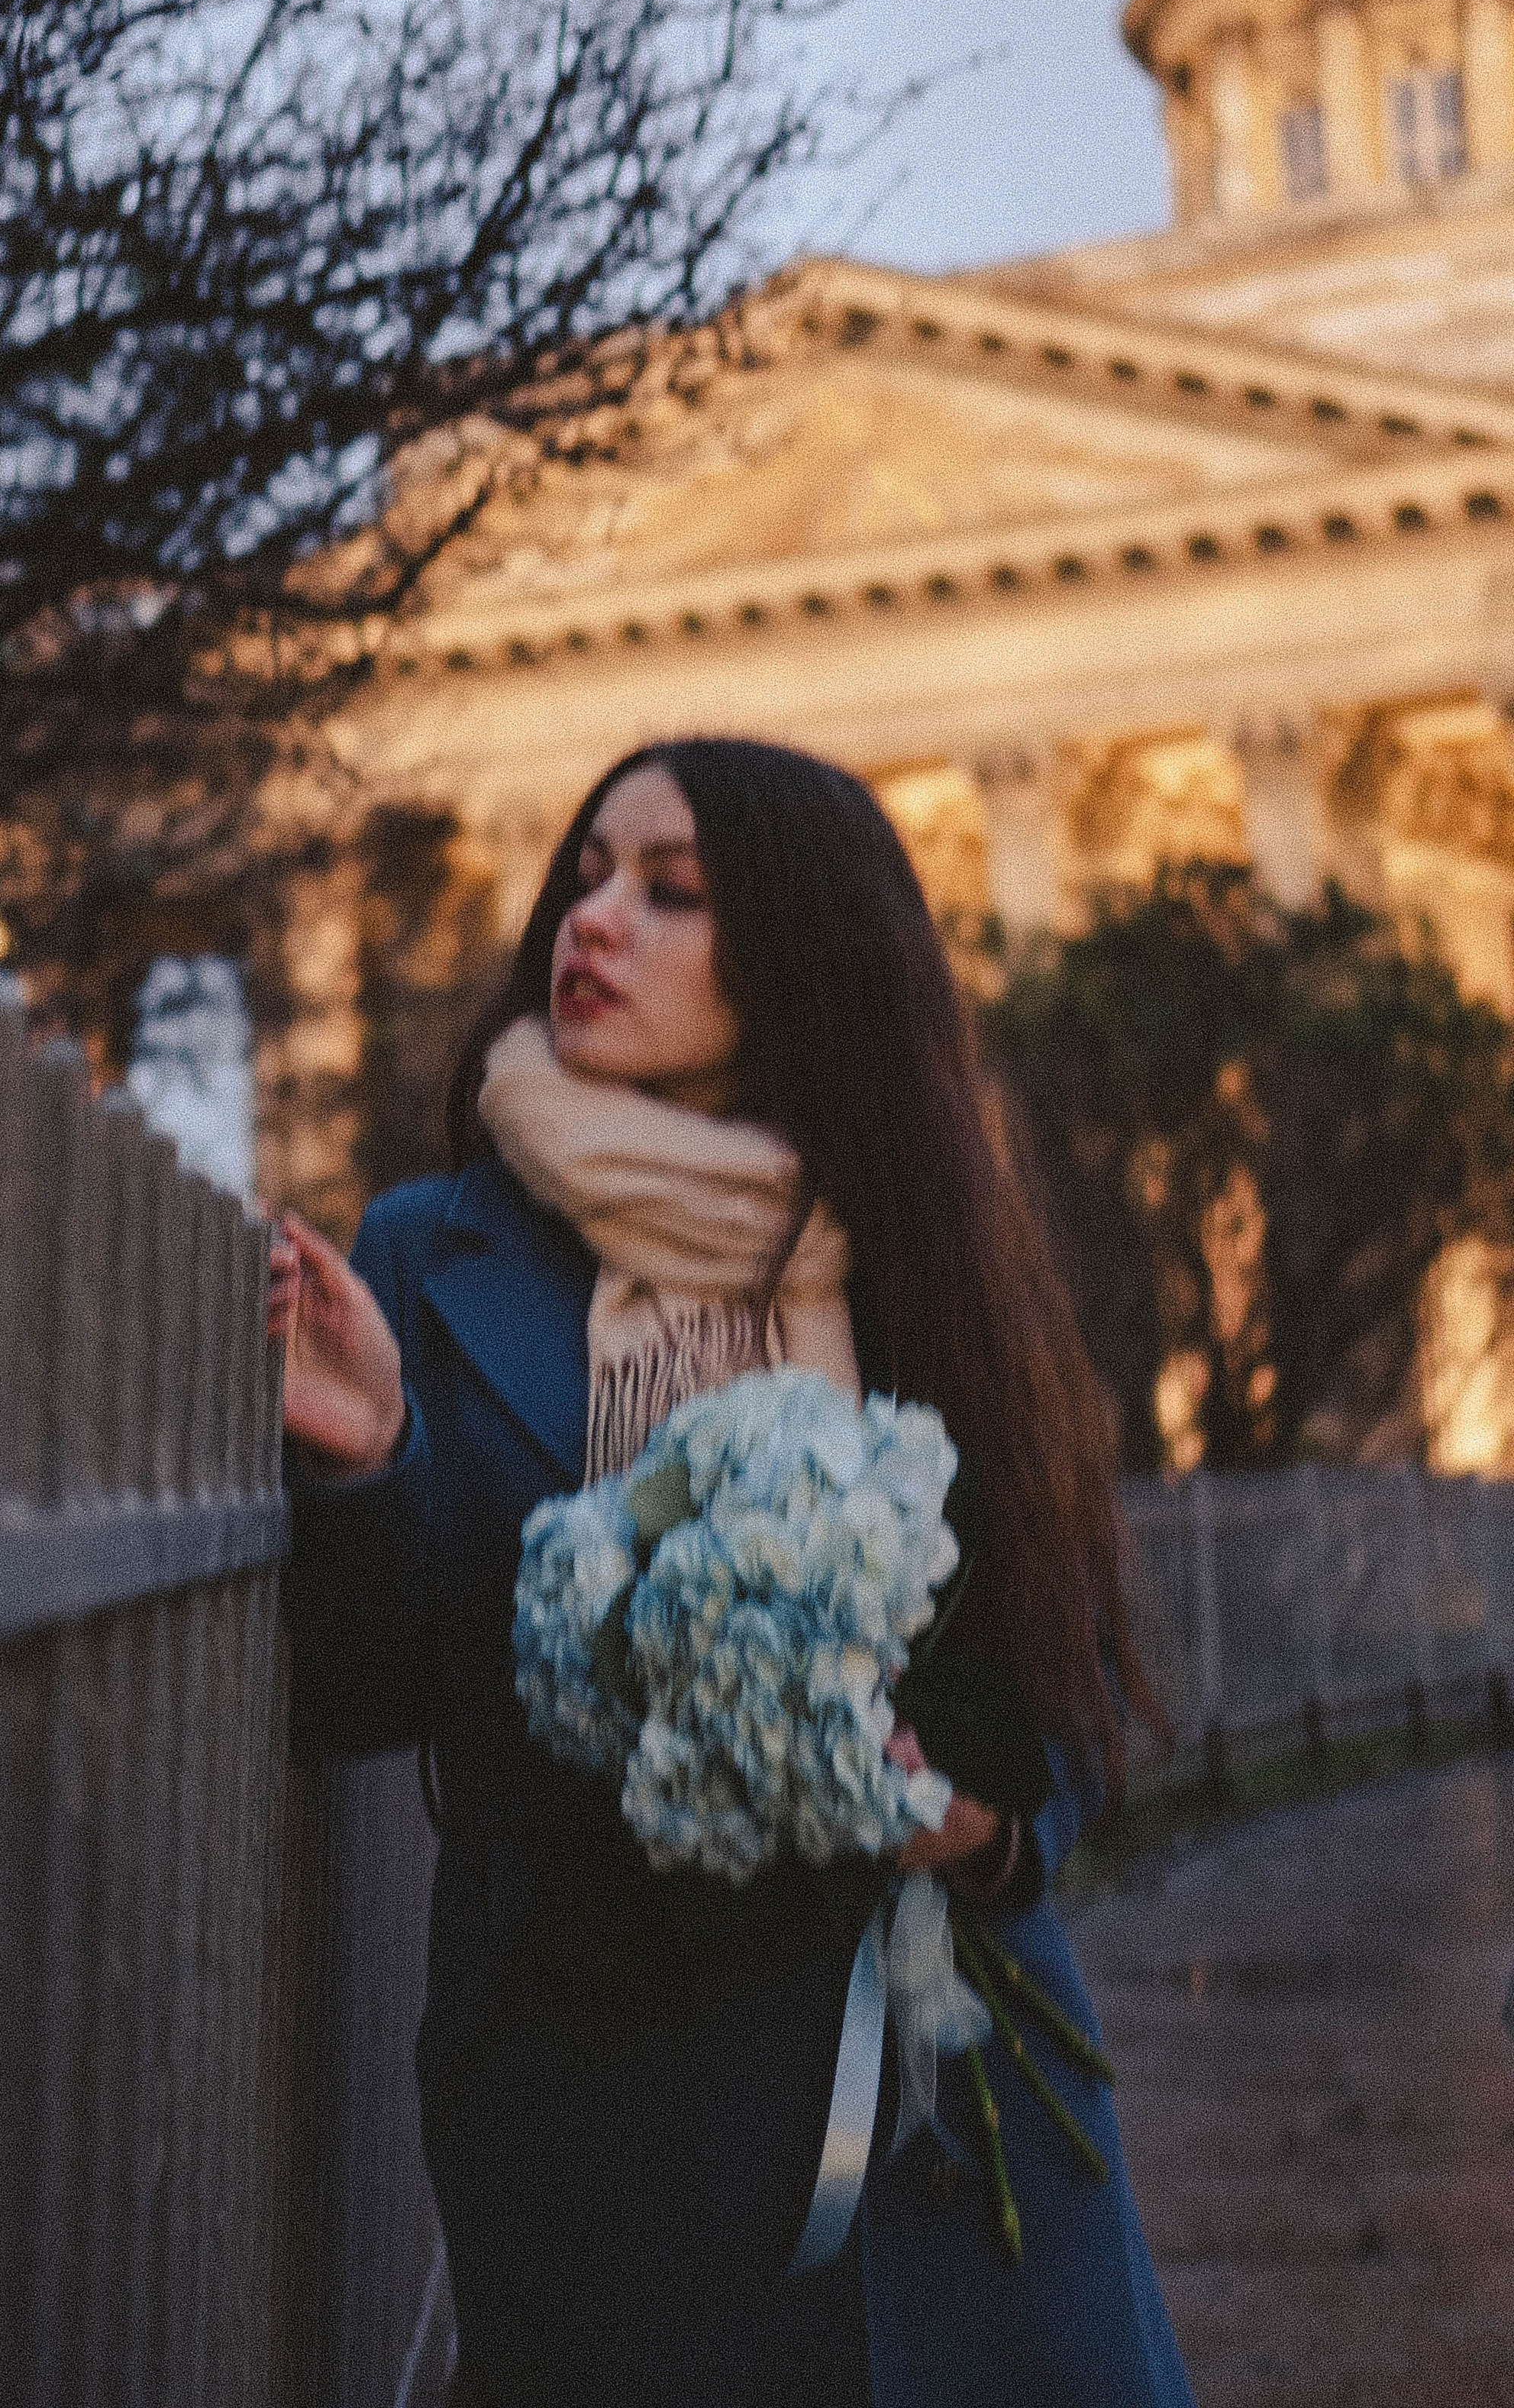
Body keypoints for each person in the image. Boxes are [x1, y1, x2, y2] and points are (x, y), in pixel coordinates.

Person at [272, 739, 1195, 2408]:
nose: (595, 919)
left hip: (925, 2089)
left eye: (672, 892)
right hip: (588, 2097)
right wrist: (367, 1463)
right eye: (586, 876)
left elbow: (1044, 1692)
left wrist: (981, 1827)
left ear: (801, 958)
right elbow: (358, 1694)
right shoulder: (431, 1252)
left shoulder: (918, 1248)